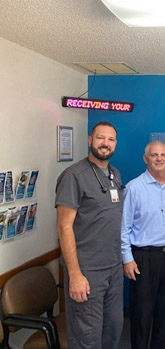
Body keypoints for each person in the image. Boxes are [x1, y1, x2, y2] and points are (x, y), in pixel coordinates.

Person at [55, 121, 124, 348]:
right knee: (88, 337)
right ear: (90, 141)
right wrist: (74, 274)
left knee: (113, 330)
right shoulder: (73, 176)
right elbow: (64, 227)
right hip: (87, 271)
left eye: (111, 139)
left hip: (113, 269)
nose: (105, 144)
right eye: (100, 138)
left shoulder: (114, 174)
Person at [121, 140, 165, 349]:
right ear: (146, 159)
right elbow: (123, 228)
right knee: (142, 314)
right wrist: (127, 259)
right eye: (154, 155)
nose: (159, 158)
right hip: (143, 258)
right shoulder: (133, 188)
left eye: (163, 155)